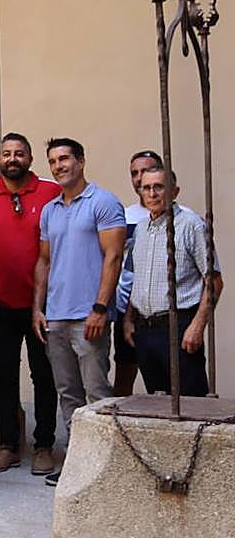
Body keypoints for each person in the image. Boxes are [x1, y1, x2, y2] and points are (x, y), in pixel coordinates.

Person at [33, 137, 125, 486]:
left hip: (89, 316)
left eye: (65, 159)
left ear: (81, 161)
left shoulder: (103, 202)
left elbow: (113, 258)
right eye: (53, 161)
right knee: (68, 393)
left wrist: (100, 308)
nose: (59, 166)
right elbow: (43, 261)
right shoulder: (50, 210)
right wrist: (37, 309)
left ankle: (106, 468)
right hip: (55, 316)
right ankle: (77, 463)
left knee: (97, 393)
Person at [0, 133, 60, 476]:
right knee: (3, 376)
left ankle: (43, 446)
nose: (13, 158)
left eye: (19, 153)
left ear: (30, 158)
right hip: (1, 302)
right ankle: (7, 445)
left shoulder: (51, 191)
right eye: (7, 153)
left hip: (43, 303)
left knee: (44, 376)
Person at [124, 168, 223, 397]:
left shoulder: (192, 225)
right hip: (145, 330)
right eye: (146, 188)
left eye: (159, 187)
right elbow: (136, 279)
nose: (152, 193)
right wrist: (129, 319)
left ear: (174, 191)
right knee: (158, 399)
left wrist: (197, 326)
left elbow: (214, 281)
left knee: (191, 402)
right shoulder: (140, 229)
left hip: (179, 327)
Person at [113, 149, 164, 396]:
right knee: (124, 375)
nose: (139, 177)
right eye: (134, 173)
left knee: (169, 382)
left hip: (164, 311)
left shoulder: (183, 219)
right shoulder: (124, 216)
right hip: (127, 309)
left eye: (145, 170)